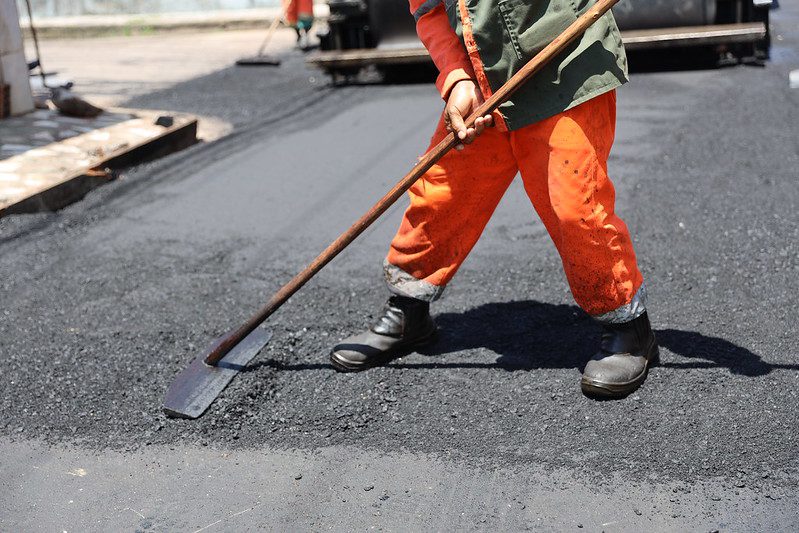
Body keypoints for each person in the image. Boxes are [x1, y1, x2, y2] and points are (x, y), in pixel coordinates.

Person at [330, 0, 658, 398]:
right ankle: (408, 312)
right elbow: (429, 8)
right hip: (483, 81)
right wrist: (455, 77)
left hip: (566, 66)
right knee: (443, 193)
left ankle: (628, 329)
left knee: (575, 206)